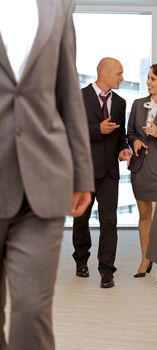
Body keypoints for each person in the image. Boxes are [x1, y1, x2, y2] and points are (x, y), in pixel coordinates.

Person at [0, 1, 95, 349]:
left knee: (31, 308)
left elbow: (68, 90)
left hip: (45, 177)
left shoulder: (59, 5)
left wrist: (82, 173)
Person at [72, 57, 131, 289]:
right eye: (119, 73)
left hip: (109, 173)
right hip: (84, 171)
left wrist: (123, 148)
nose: (122, 77)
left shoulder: (120, 102)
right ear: (104, 73)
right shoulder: (78, 97)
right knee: (81, 220)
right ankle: (81, 261)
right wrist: (97, 129)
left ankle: (107, 270)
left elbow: (121, 133)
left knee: (109, 222)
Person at [127, 63, 157, 286]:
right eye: (148, 78)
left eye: (153, 79)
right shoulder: (138, 105)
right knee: (144, 215)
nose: (148, 82)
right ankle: (145, 259)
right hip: (140, 169)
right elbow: (129, 132)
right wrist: (135, 140)